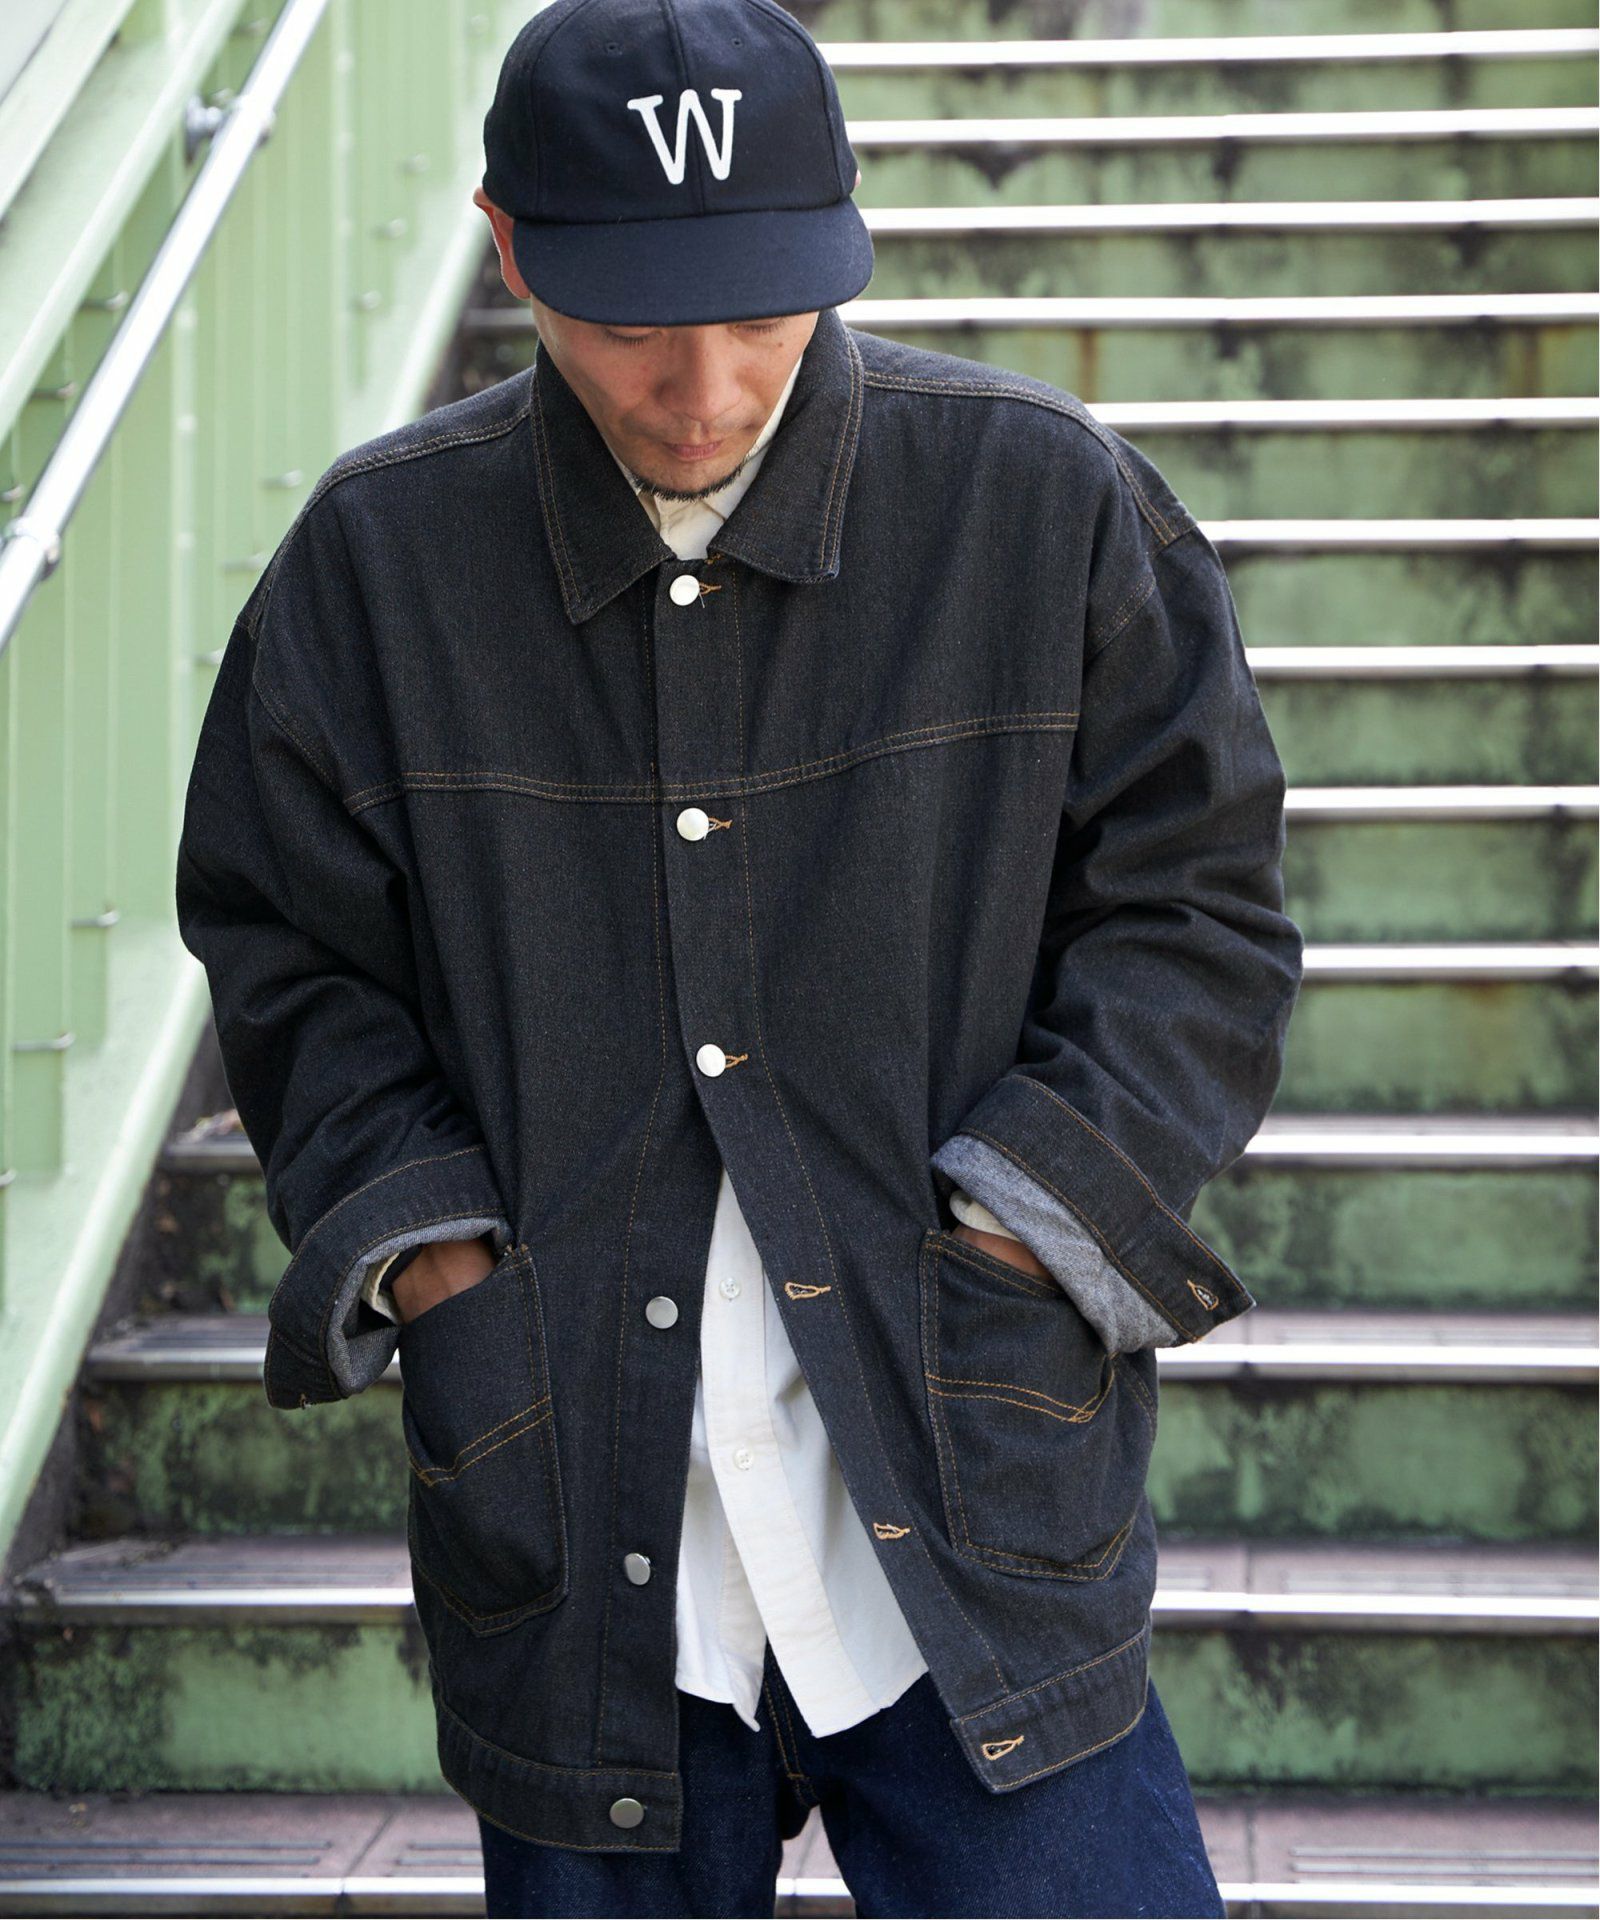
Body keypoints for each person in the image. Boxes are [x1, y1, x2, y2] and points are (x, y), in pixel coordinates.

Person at [174, 0, 1303, 1913]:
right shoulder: (376, 566)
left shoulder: (1040, 505)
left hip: (968, 1482)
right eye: (633, 322)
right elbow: (290, 956)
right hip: (579, 1515)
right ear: (509, 246)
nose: (701, 387)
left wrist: (1023, 1227)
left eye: (762, 311)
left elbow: (1199, 907)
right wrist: (440, 1261)